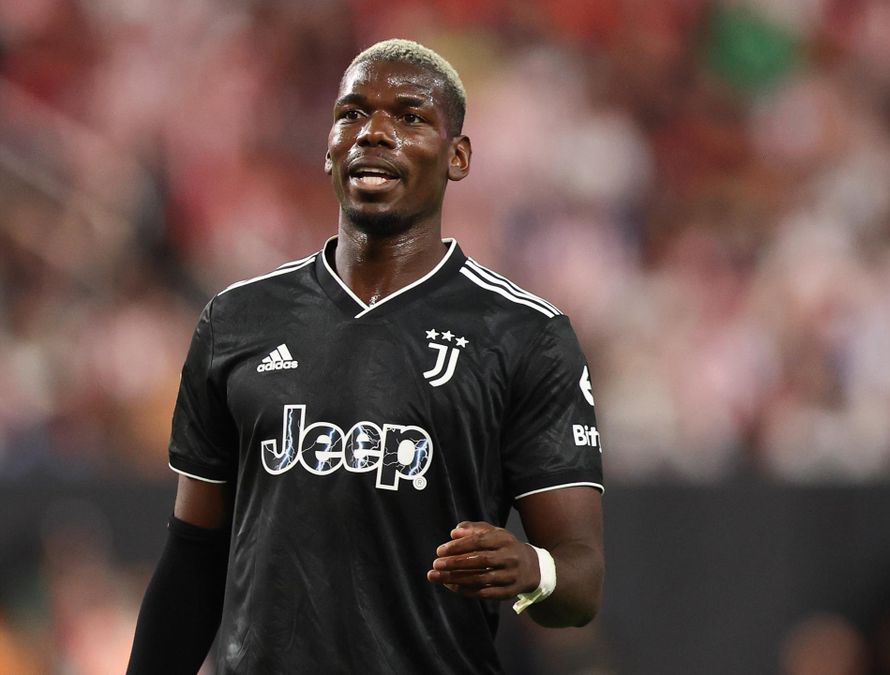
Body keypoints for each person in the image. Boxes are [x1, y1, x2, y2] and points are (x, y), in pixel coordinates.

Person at [126, 38, 605, 674]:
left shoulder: (524, 335)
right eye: (352, 113)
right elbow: (193, 554)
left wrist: (529, 568)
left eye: (409, 117)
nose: (373, 132)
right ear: (328, 145)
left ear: (457, 156)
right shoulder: (236, 321)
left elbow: (580, 583)